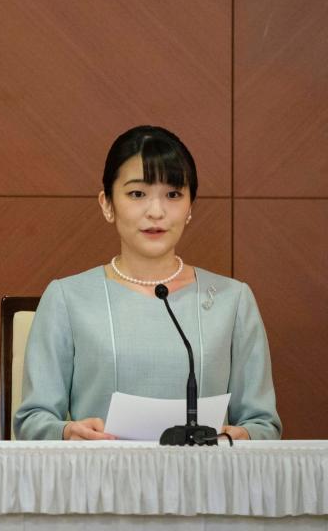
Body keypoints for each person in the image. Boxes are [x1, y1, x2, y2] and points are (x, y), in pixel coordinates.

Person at [14, 126, 281, 441]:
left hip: (206, 483)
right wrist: (67, 432)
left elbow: (263, 424)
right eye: (137, 194)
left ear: (191, 206)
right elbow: (33, 420)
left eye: (173, 195)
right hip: (100, 483)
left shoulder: (232, 300)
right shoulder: (66, 298)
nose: (156, 212)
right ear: (107, 204)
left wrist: (242, 437)